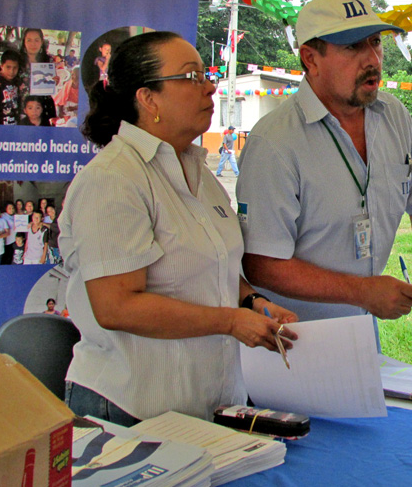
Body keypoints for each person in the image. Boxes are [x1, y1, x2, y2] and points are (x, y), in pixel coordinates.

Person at [58, 31, 298, 426]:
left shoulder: (200, 173)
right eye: (192, 78)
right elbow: (116, 306)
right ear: (147, 98)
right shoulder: (114, 179)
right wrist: (230, 321)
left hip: (207, 404)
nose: (210, 87)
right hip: (130, 407)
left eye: (208, 74)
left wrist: (254, 303)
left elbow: (215, 267)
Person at [236, 0, 412, 323]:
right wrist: (361, 291)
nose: (372, 58)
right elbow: (260, 263)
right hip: (289, 338)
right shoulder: (274, 143)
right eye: (353, 47)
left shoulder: (393, 115)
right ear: (311, 59)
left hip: (362, 328)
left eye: (375, 42)